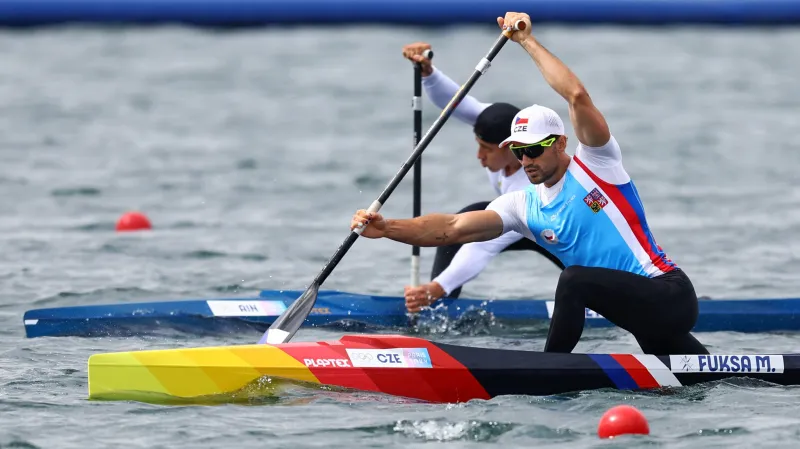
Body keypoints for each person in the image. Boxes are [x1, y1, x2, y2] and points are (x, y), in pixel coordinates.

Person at [352, 12, 708, 355]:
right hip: (636, 315)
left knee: (574, 279)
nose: (527, 160)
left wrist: (525, 40)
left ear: (561, 143)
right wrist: (387, 228)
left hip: (668, 293)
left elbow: (577, 96)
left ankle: (552, 368)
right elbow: (452, 229)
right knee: (706, 379)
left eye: (535, 150)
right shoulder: (523, 204)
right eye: (519, 152)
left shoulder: (599, 163)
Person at [400, 42, 564, 313]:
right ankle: (439, 310)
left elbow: (483, 246)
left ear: (513, 148)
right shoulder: (501, 126)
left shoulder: (530, 187)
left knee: (583, 277)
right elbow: (456, 103)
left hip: (562, 234)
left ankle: (602, 301)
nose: (479, 156)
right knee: (465, 220)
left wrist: (437, 286)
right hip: (528, 227)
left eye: (486, 149)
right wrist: (428, 72)